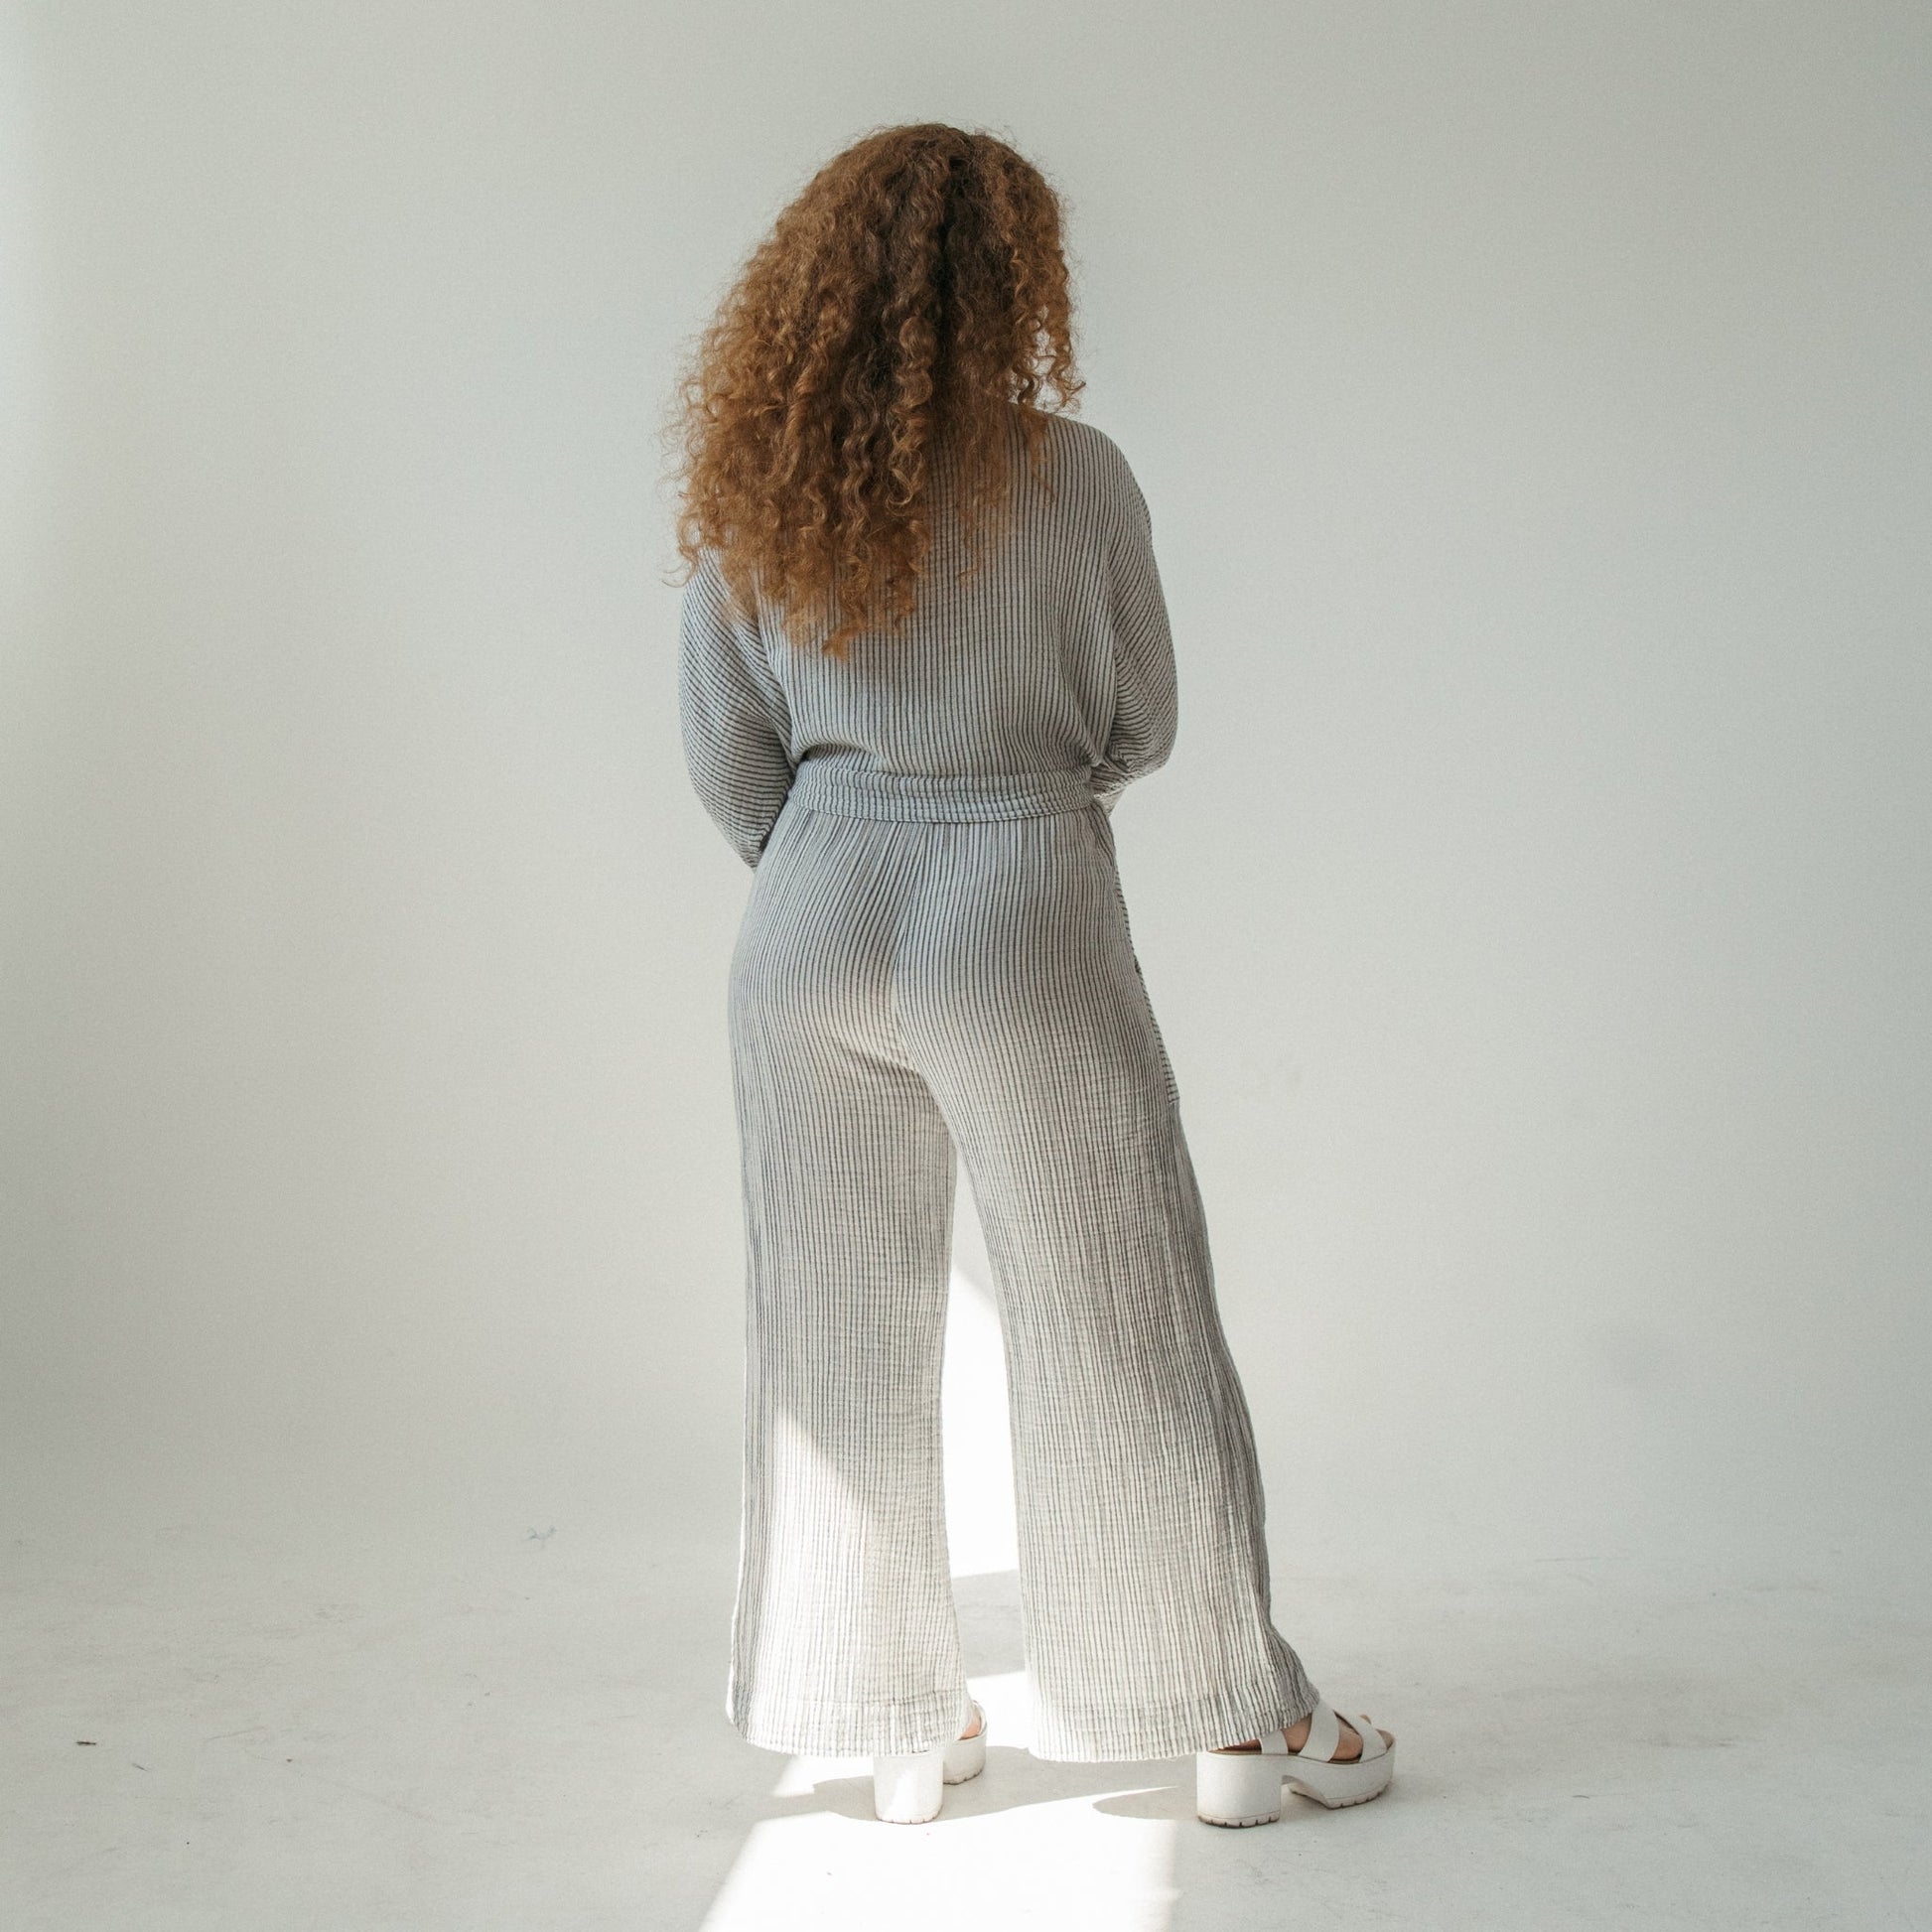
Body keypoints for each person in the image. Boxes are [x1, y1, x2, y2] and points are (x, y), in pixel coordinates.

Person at [671, 122, 1393, 1828]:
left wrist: (844, 841)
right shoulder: (1077, 476)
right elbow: (1139, 721)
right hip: (1022, 898)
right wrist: (1005, 817)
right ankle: (1230, 1725)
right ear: (1016, 287)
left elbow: (729, 760)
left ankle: (891, 1729)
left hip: (806, 919)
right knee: (1119, 1314)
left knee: (831, 1334)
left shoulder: (760, 489)